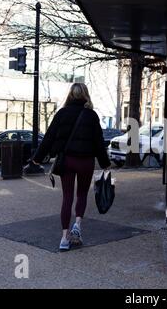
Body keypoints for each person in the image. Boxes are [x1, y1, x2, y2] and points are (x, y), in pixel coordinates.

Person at [31, 83, 111, 252]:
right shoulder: (91, 115)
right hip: (86, 161)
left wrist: (37, 159)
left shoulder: (62, 114)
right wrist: (105, 163)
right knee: (82, 194)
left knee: (67, 197)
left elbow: (49, 137)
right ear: (85, 95)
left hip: (67, 161)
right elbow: (99, 142)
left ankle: (64, 238)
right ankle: (78, 225)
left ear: (70, 95)